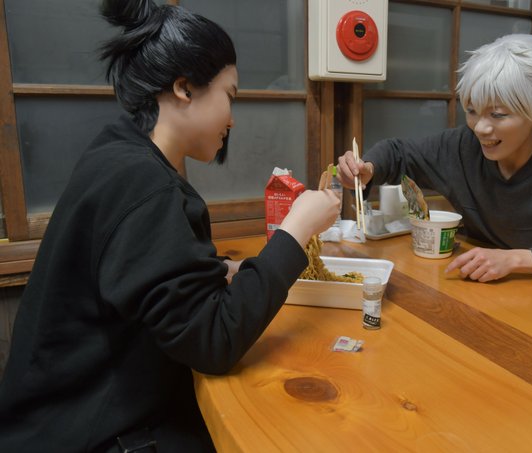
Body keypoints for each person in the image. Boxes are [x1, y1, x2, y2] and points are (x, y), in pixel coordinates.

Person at [0, 1, 339, 451]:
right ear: (184, 88)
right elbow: (213, 341)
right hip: (94, 434)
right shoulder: (143, 182)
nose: (232, 118)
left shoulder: (119, 155)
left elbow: (149, 276)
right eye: (229, 95)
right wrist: (296, 228)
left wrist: (223, 271)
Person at [337, 34, 532, 285]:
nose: (480, 128)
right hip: (482, 291)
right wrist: (367, 168)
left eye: (498, 115)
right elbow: (399, 153)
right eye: (472, 110)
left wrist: (515, 260)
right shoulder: (462, 146)